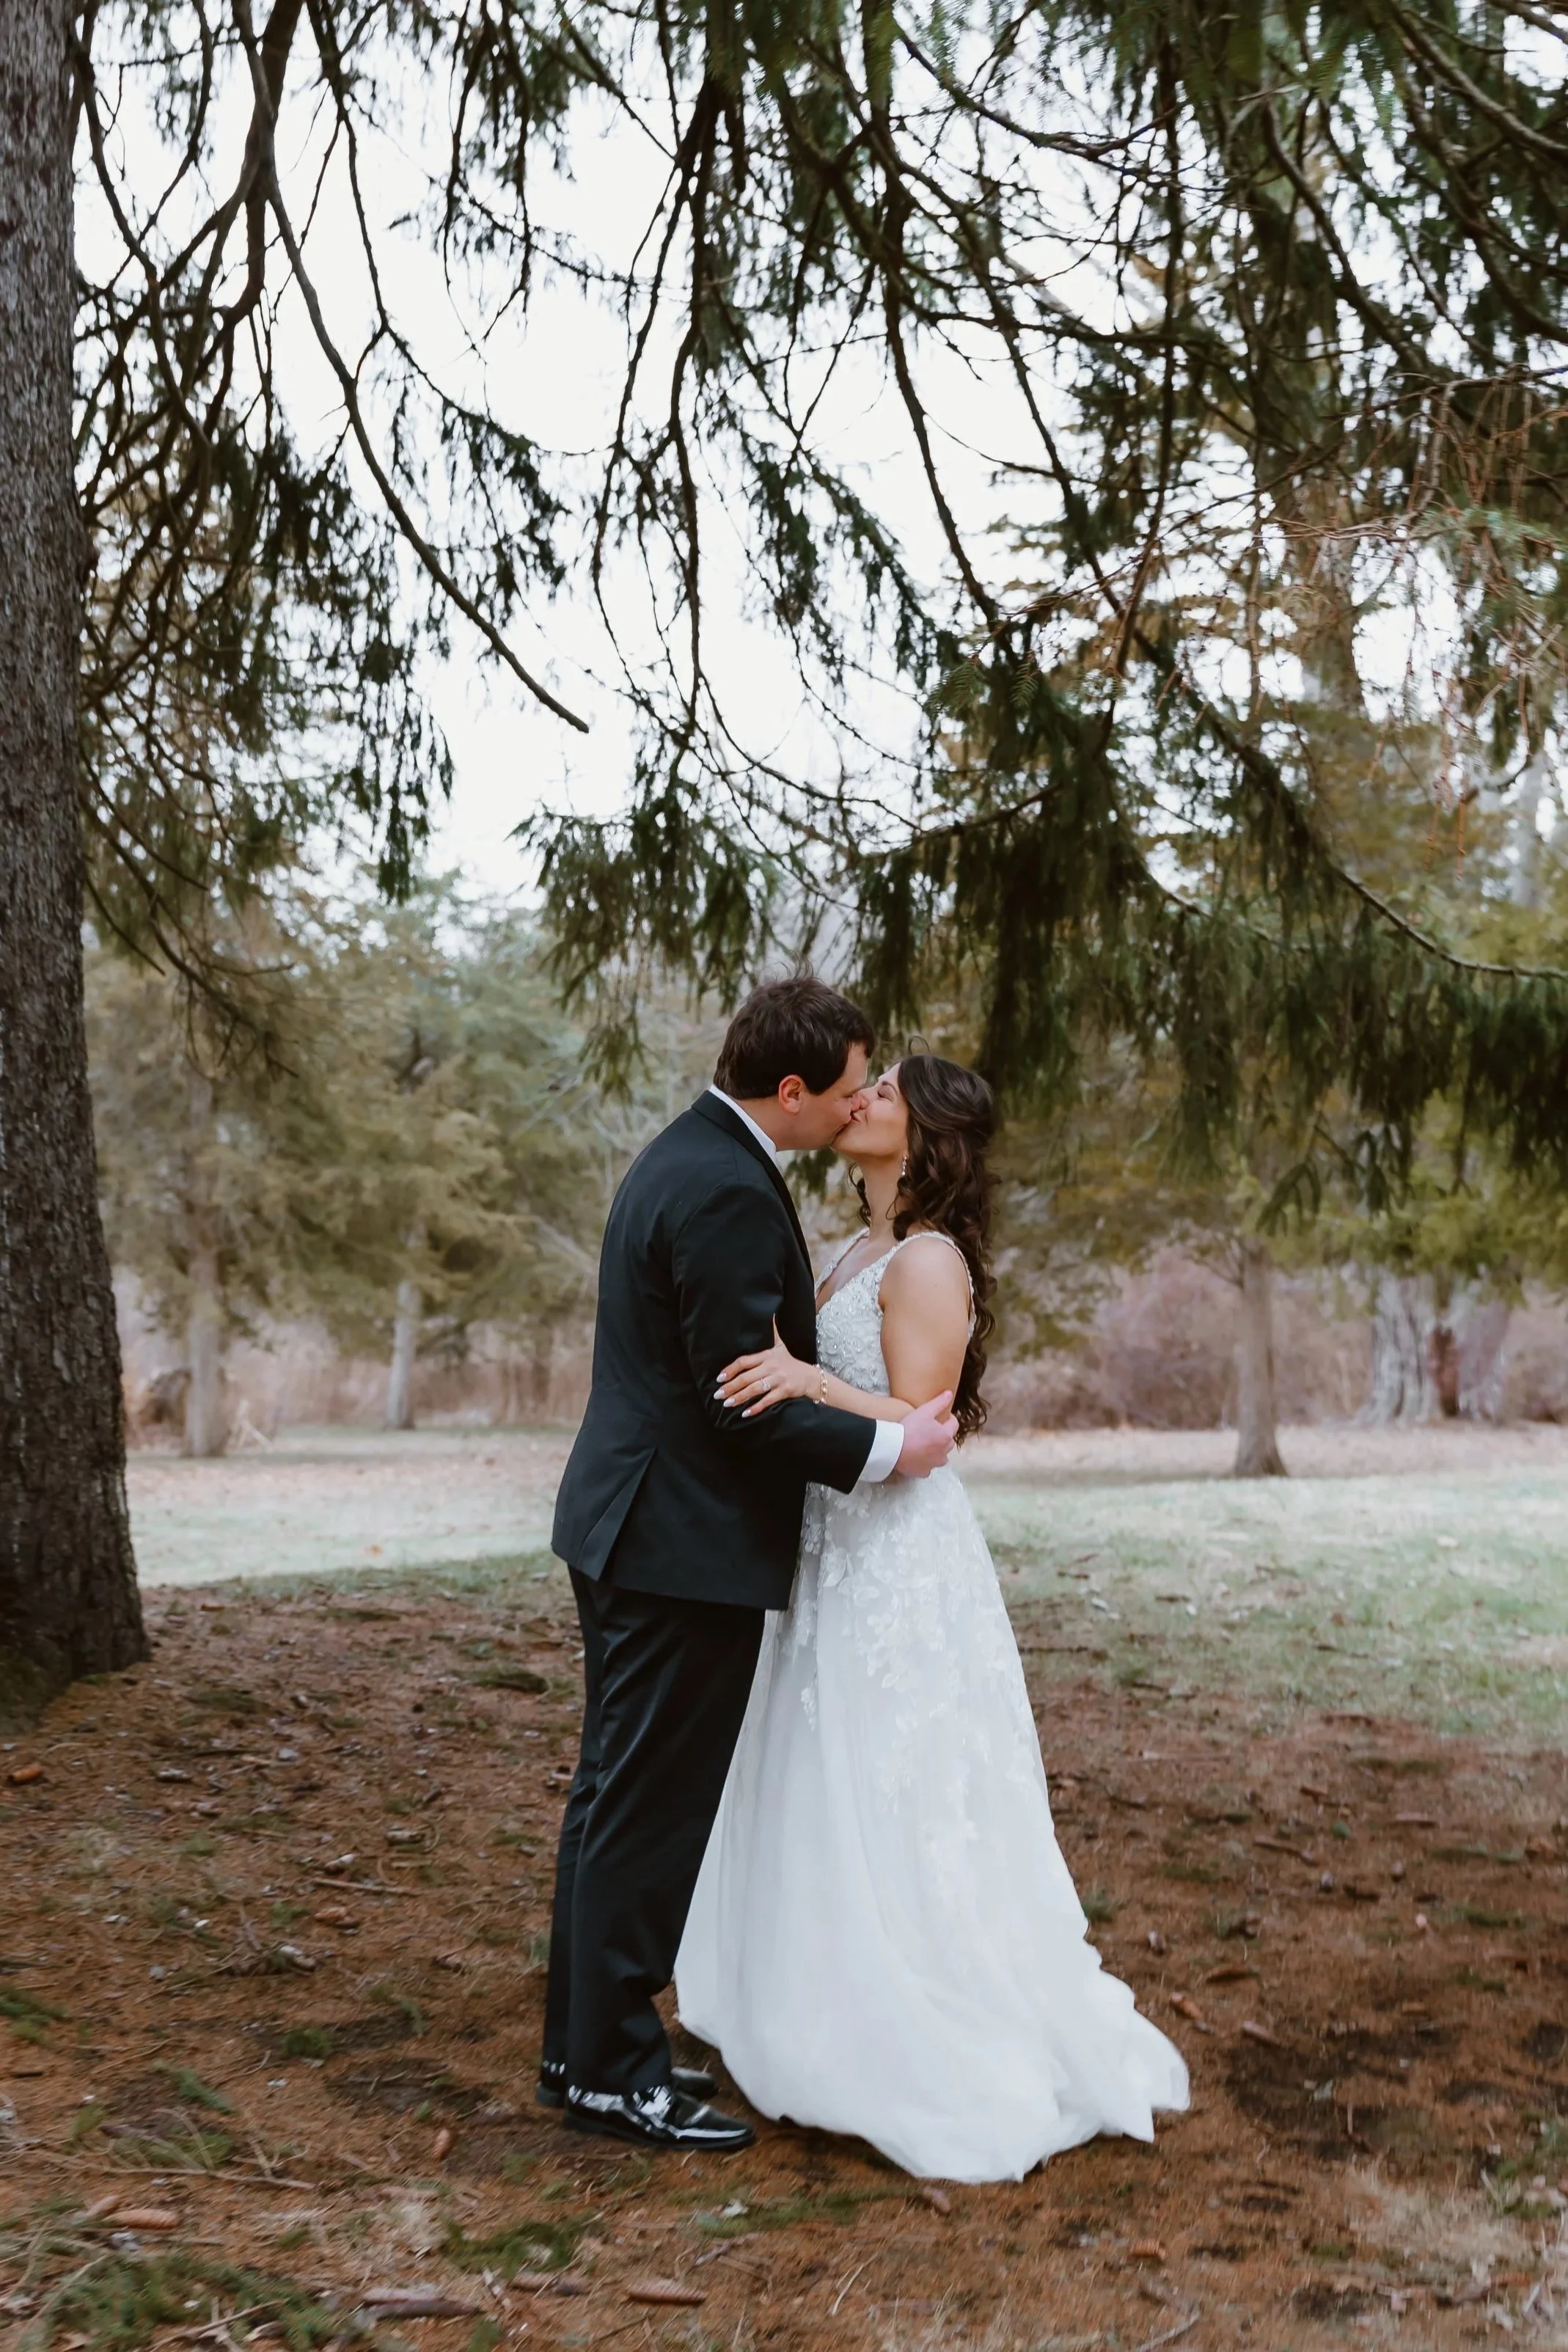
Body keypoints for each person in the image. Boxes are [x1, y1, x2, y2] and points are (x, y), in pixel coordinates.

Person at [675, 1052, 1190, 2180]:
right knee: (819, 1767)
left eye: (885, 1092)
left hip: (895, 1558)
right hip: (826, 1546)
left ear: (927, 1134)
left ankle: (919, 2016)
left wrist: (802, 1382)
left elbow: (918, 1427)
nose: (860, 1100)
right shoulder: (855, 1249)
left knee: (893, 1775)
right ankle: (812, 1993)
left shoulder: (926, 1259)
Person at [542, 978, 960, 2152]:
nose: (850, 1108)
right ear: (790, 1090)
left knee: (612, 1795)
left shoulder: (690, 1154)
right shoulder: (726, 1185)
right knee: (647, 1805)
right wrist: (892, 1444)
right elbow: (744, 1398)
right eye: (841, 1090)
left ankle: (586, 2049)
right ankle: (614, 2069)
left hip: (634, 1527)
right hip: (678, 1543)